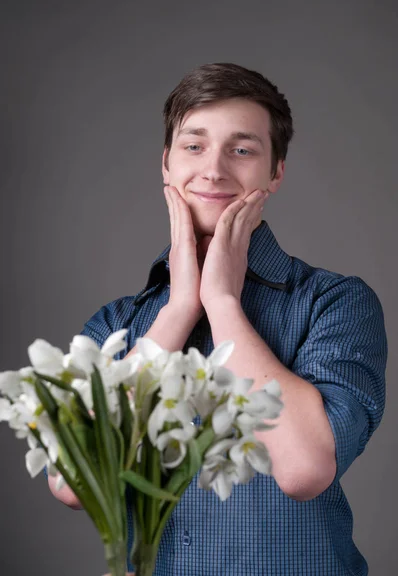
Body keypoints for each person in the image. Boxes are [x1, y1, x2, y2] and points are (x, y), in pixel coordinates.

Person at [48, 63, 387, 576]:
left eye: (243, 149)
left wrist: (224, 305)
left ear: (276, 172)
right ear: (166, 164)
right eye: (193, 146)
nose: (213, 170)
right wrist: (180, 308)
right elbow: (73, 482)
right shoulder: (118, 323)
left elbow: (304, 470)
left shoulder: (335, 303)